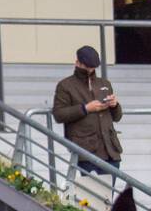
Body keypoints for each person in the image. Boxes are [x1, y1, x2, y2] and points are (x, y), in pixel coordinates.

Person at [52, 45, 123, 174]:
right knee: (90, 192)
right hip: (86, 151)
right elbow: (59, 114)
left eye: (93, 67)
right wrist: (85, 108)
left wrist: (114, 105)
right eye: (87, 66)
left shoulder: (104, 84)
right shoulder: (65, 85)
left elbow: (117, 117)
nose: (90, 70)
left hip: (110, 150)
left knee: (107, 193)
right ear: (77, 63)